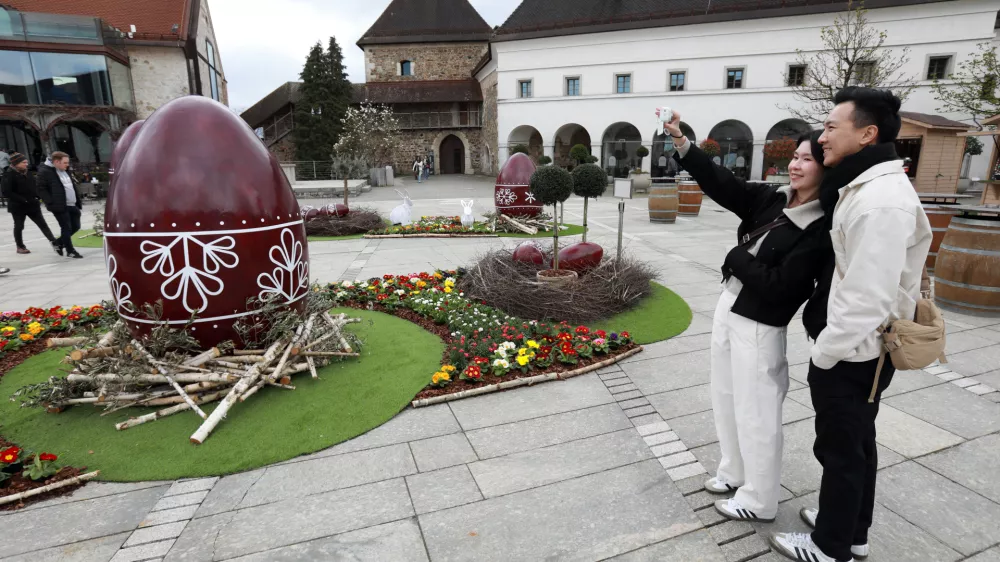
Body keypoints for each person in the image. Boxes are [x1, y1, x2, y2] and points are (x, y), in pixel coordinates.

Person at [769, 88, 932, 562]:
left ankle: (830, 546)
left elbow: (867, 298)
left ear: (867, 133)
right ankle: (849, 528)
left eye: (831, 127)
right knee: (856, 443)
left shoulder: (880, 201)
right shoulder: (867, 185)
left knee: (841, 449)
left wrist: (825, 353)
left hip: (856, 351)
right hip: (859, 349)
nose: (822, 138)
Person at [664, 111, 831, 523]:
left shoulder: (821, 225)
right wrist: (685, 144)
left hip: (761, 321)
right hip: (730, 304)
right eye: (794, 156)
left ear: (827, 169)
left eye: (807, 159)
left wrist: (737, 258)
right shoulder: (775, 198)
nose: (795, 164)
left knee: (757, 409)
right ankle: (733, 469)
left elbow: (783, 287)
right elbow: (726, 186)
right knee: (724, 393)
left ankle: (759, 498)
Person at [1, 153, 58, 255]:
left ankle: (54, 242)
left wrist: (38, 196)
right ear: (16, 163)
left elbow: (34, 186)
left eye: (26, 162)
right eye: (23, 162)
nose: (26, 164)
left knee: (43, 224)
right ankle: (20, 246)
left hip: (32, 204)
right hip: (18, 206)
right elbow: (7, 192)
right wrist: (23, 200)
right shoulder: (9, 174)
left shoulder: (28, 172)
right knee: (19, 226)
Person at [36, 151, 84, 259]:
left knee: (76, 226)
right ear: (56, 162)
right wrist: (51, 202)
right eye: (65, 162)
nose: (67, 165)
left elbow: (70, 186)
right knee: (66, 227)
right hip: (60, 206)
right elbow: (41, 189)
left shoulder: (64, 170)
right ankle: (70, 251)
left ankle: (58, 243)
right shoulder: (45, 171)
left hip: (72, 204)